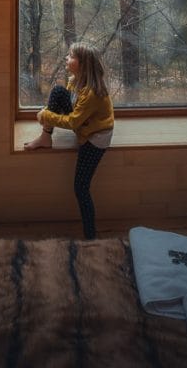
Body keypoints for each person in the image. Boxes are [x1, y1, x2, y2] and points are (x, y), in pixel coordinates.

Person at [24, 42, 114, 239]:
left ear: (82, 64)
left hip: (95, 137)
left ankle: (90, 236)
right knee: (57, 91)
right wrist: (49, 113)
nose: (66, 58)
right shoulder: (75, 80)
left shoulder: (92, 93)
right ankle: (45, 138)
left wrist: (46, 116)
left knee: (80, 187)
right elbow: (72, 108)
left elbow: (73, 122)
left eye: (71, 56)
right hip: (85, 123)